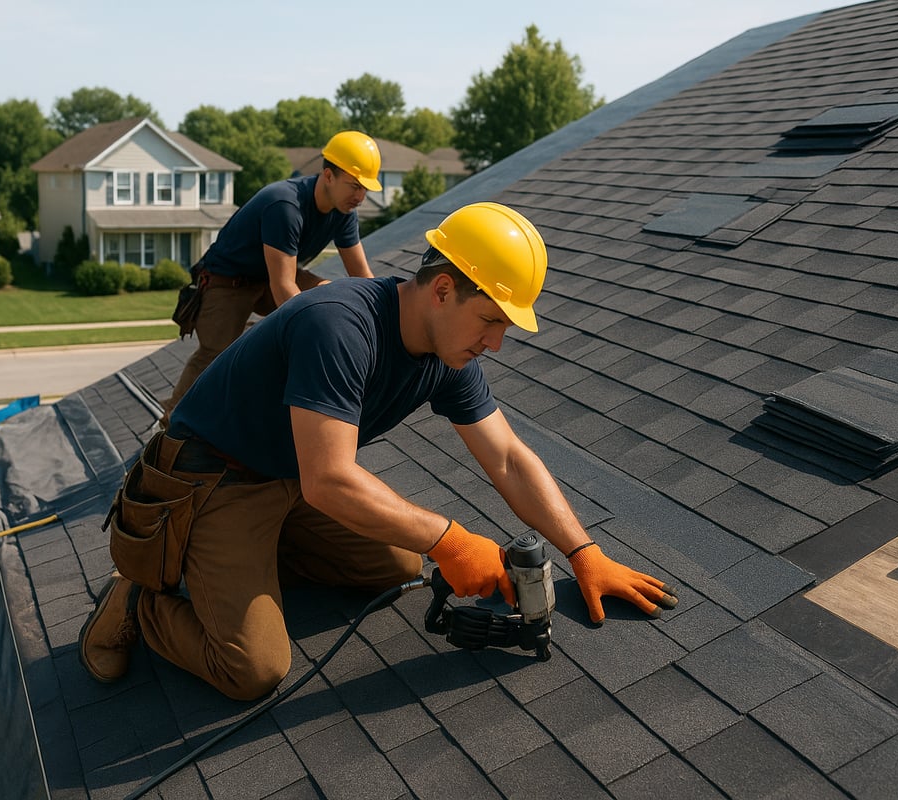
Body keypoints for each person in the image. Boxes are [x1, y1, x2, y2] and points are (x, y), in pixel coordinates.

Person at [80, 201, 678, 701]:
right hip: (211, 482)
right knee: (252, 670)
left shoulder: (447, 356)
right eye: (491, 320)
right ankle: (139, 598)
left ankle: (240, 564)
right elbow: (331, 482)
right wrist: (455, 540)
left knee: (395, 566)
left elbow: (508, 458)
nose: (496, 343)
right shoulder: (341, 325)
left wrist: (583, 551)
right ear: (442, 289)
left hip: (286, 477)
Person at [161, 130, 383, 421]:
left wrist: (383, 321)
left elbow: (361, 276)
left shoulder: (343, 213)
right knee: (216, 354)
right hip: (228, 282)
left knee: (328, 295)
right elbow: (283, 288)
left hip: (267, 276)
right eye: (354, 186)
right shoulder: (286, 205)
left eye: (365, 189)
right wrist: (313, 335)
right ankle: (169, 424)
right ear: (328, 175)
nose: (360, 197)